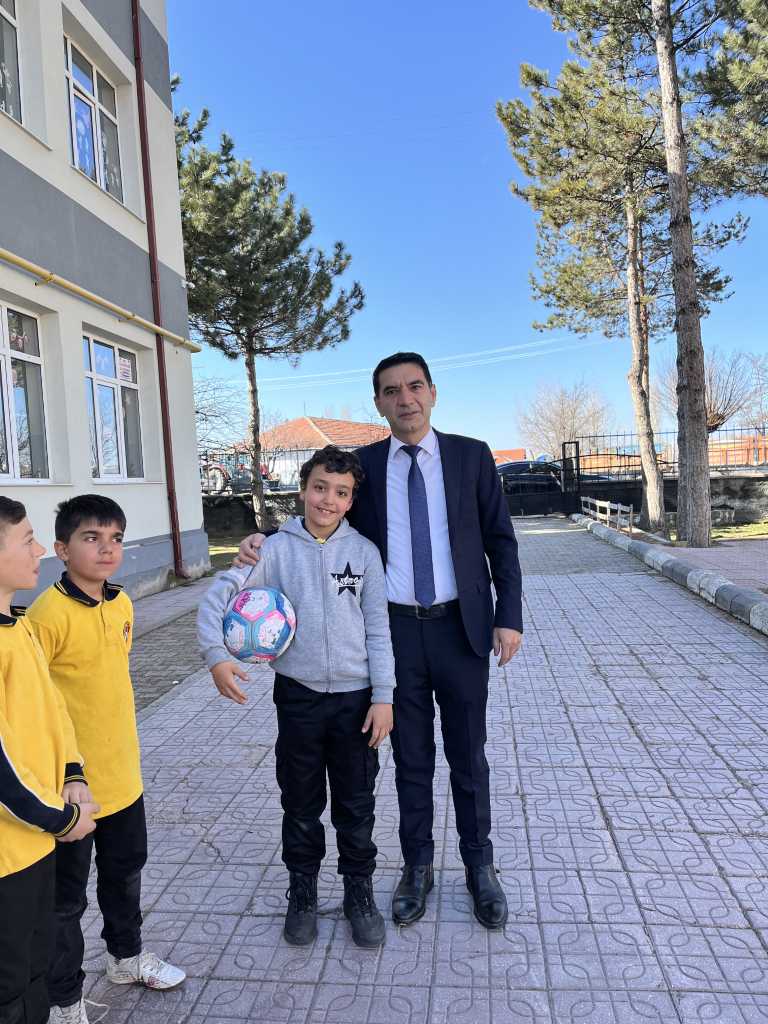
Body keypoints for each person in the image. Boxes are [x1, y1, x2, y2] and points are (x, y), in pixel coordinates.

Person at [237, 352, 523, 929]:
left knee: (468, 756)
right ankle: (416, 867)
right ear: (378, 403)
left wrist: (508, 615)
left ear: (432, 392)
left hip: (462, 631)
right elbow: (324, 513)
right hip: (395, 635)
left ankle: (479, 866)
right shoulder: (365, 466)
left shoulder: (471, 456)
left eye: (414, 386)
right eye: (391, 391)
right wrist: (261, 537)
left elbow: (501, 539)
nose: (405, 399)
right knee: (411, 759)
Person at [198, 446, 395, 948]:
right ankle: (302, 892)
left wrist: (384, 696)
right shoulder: (272, 551)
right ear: (303, 489)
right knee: (301, 803)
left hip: (357, 702)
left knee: (356, 804)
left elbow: (378, 629)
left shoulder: (365, 554)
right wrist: (216, 654)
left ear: (351, 501)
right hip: (299, 698)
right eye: (320, 487)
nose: (328, 499)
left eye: (341, 492)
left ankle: (358, 892)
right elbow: (220, 596)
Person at [27, 495, 185, 1024]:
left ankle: (125, 958)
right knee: (65, 900)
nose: (106, 549)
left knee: (124, 875)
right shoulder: (45, 616)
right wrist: (65, 773)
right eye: (91, 538)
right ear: (61, 549)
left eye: (115, 538)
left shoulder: (121, 604)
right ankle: (64, 999)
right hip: (72, 788)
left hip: (124, 778)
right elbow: (39, 705)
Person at [0, 496, 99, 1024]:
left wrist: (72, 773)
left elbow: (53, 711)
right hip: (9, 855)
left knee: (36, 968)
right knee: (10, 986)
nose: (39, 550)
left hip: (37, 842)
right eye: (26, 540)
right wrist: (62, 819)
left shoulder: (19, 627)